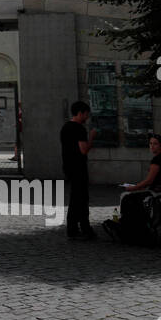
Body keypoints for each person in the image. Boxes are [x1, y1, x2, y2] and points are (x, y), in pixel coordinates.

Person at [104, 134, 161, 241]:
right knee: (131, 197)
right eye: (150, 143)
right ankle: (127, 226)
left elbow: (149, 181)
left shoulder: (158, 160)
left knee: (128, 198)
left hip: (159, 192)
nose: (152, 146)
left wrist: (133, 188)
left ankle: (127, 228)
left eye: (155, 144)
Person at [61, 101, 97, 239]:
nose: (87, 117)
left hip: (69, 166)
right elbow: (83, 150)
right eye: (86, 114)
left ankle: (81, 227)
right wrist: (92, 138)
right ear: (81, 113)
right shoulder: (79, 129)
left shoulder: (65, 127)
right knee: (79, 198)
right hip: (78, 167)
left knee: (78, 198)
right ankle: (76, 228)